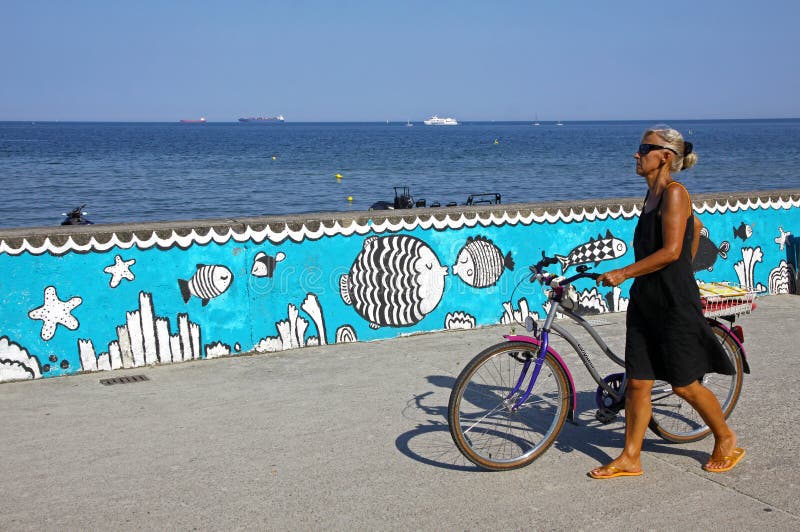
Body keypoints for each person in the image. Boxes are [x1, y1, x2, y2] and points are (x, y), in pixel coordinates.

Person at [590, 125, 745, 479]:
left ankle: (725, 437)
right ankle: (631, 456)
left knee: (684, 385)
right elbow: (694, 228)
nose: (637, 154)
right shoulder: (652, 197)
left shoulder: (675, 193)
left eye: (644, 148)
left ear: (665, 157)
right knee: (639, 382)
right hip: (646, 300)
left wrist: (626, 272)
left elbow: (673, 250)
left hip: (674, 303)